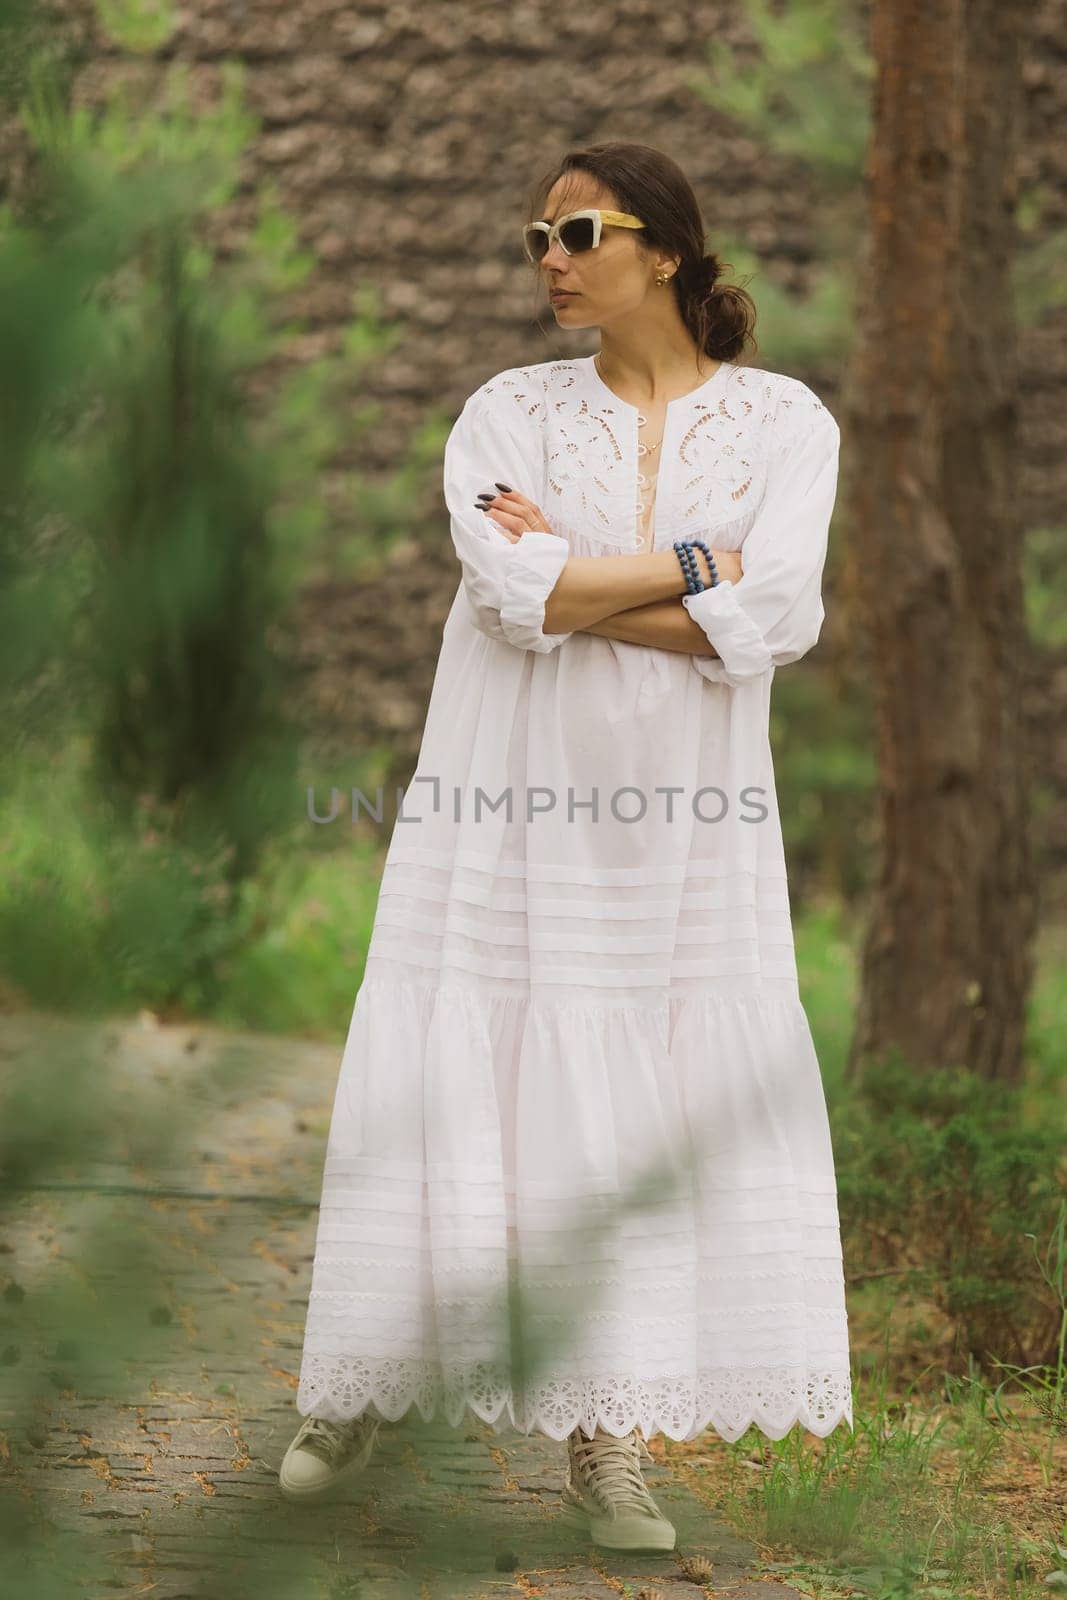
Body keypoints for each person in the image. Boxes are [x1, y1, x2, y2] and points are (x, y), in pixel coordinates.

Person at [278, 141, 853, 1554]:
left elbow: (780, 614)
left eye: (577, 232)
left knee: (640, 1110)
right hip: (506, 798)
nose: (549, 258)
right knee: (457, 1075)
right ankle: (363, 1374)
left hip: (684, 832)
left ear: (663, 248)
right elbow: (507, 585)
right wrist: (699, 568)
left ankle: (609, 1439)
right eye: (535, 237)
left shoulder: (788, 425)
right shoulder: (505, 415)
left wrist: (595, 582)